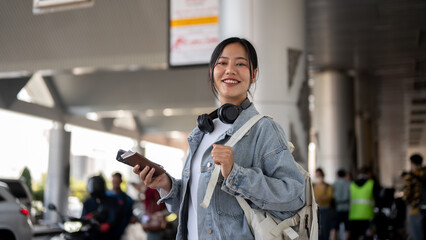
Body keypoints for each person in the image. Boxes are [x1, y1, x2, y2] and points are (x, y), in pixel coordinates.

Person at [133, 37, 306, 239]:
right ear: (212, 72)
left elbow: (294, 199)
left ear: (254, 74)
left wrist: (236, 174)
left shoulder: (264, 129)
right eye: (222, 63)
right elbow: (198, 209)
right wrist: (167, 185)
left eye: (240, 64)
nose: (230, 70)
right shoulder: (201, 133)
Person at [82, 175, 119, 240]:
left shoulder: (111, 200)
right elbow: (84, 218)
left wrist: (108, 224)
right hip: (90, 235)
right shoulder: (87, 202)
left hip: (107, 236)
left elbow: (113, 217)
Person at [348, 166, 380, 240]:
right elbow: (378, 199)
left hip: (354, 216)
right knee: (368, 237)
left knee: (354, 237)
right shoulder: (371, 183)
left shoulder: (352, 185)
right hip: (368, 216)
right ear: (368, 173)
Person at [402, 153, 426, 240]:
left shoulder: (410, 176)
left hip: (415, 208)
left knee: (417, 234)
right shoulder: (424, 172)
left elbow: (407, 194)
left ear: (412, 162)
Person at [107, 172, 136, 240]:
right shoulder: (106, 196)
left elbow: (130, 214)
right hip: (107, 232)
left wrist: (133, 218)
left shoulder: (127, 199)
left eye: (117, 181)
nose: (115, 183)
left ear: (121, 181)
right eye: (114, 181)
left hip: (122, 232)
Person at [313, 167, 334, 240]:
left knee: (325, 228)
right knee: (317, 229)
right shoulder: (314, 186)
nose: (318, 177)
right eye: (317, 175)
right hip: (316, 210)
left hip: (326, 209)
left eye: (319, 175)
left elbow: (329, 196)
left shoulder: (328, 186)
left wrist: (320, 198)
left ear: (322, 175)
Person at [330, 169, 351, 240]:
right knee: (347, 228)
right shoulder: (349, 183)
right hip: (347, 207)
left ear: (337, 175)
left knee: (334, 227)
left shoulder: (334, 184)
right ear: (345, 175)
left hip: (337, 207)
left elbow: (332, 195)